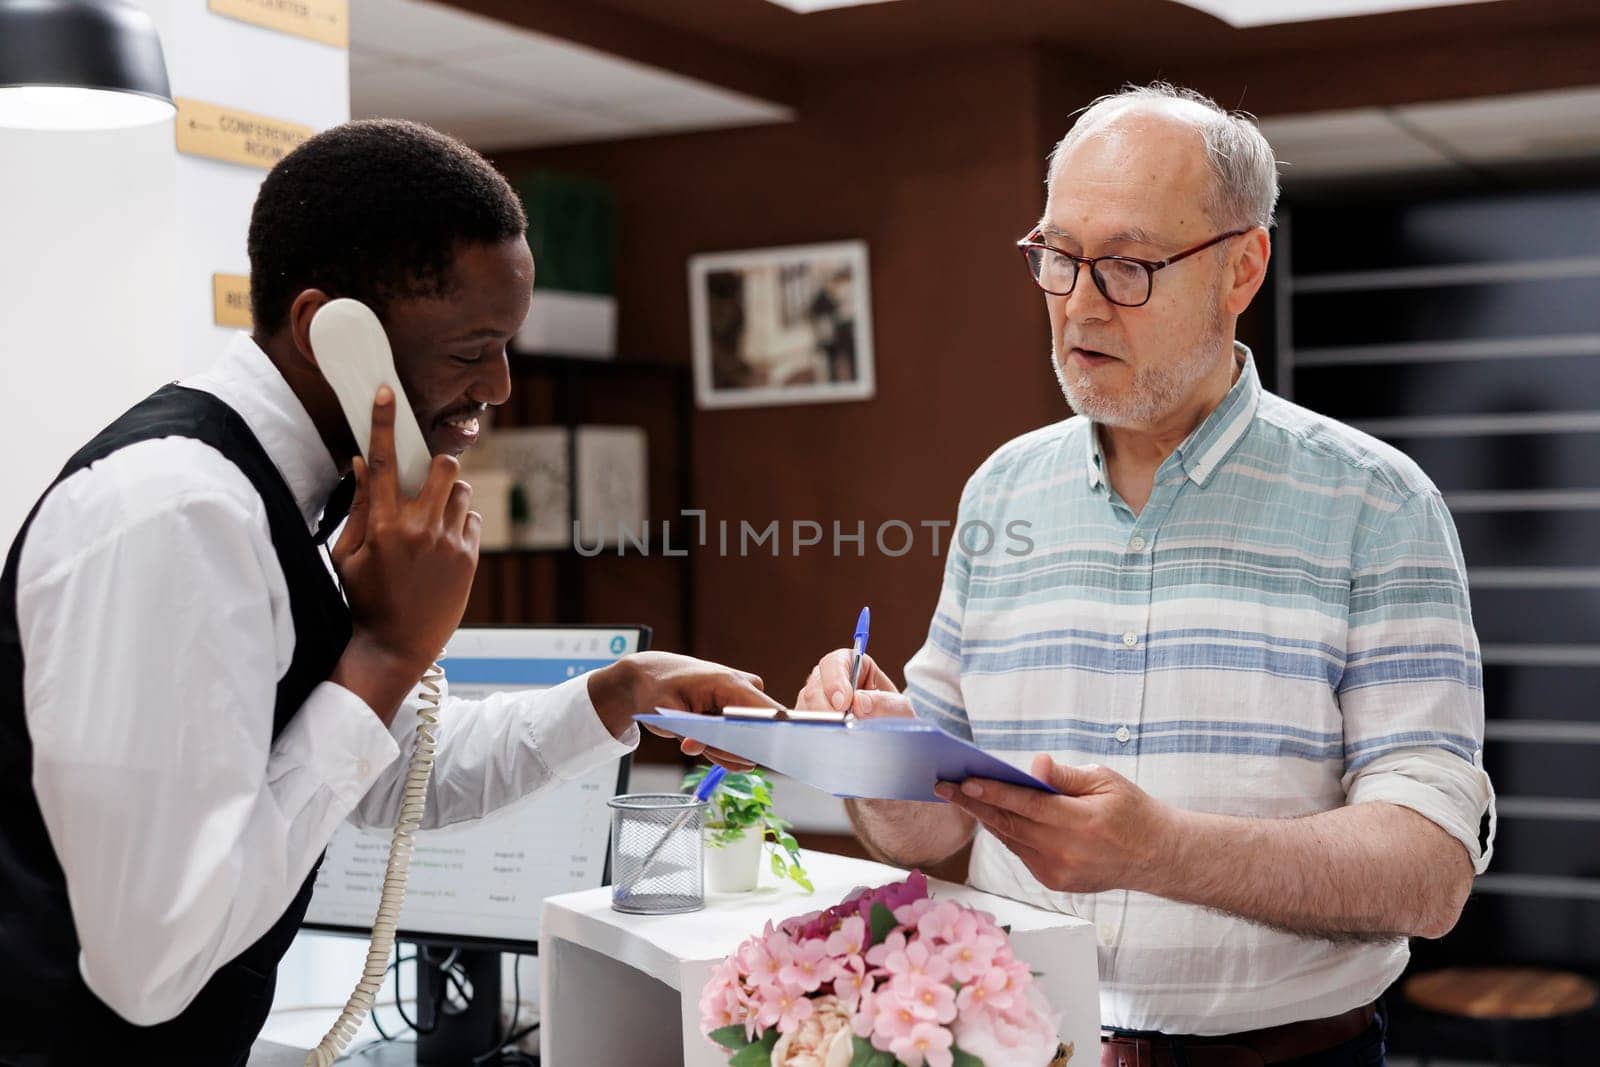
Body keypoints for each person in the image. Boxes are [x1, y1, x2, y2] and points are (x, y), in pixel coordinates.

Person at [0, 119, 773, 1064]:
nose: (498, 386)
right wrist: (385, 652)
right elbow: (149, 962)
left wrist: (618, 690)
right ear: (334, 335)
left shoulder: (291, 502)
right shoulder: (180, 516)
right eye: (469, 349)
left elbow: (390, 772)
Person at [798, 83, 1493, 1067]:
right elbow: (926, 822)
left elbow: (1428, 872)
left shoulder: (1375, 503)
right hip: (1017, 1043)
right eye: (1056, 256)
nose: (1079, 304)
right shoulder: (1003, 490)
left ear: (1240, 266)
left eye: (1126, 264)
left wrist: (1161, 848)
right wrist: (867, 754)